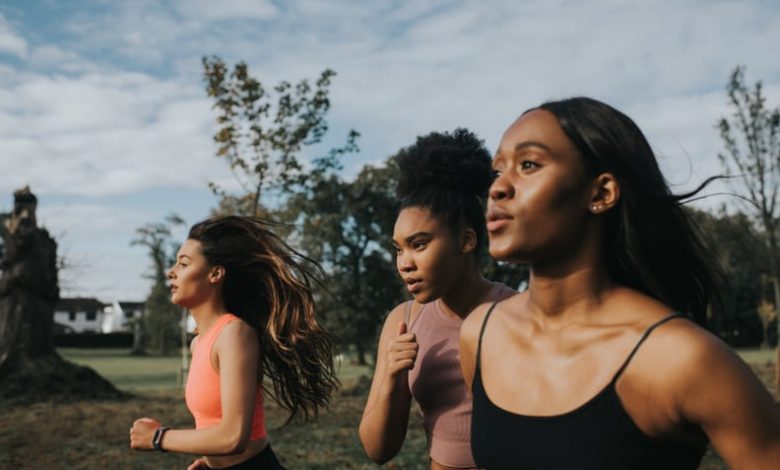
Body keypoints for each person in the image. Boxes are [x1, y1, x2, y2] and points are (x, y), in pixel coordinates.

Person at [460, 97, 780, 469]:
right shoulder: (480, 334)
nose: (498, 188)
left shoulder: (681, 358)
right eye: (497, 171)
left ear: (600, 193)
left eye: (528, 164)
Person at [359, 129, 516, 469]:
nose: (405, 263)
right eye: (398, 249)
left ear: (467, 239)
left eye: (419, 244)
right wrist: (391, 378)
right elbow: (378, 451)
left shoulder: (521, 313)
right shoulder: (404, 319)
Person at [130, 216, 338, 469]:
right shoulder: (199, 343)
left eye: (183, 264)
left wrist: (158, 437)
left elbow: (233, 436)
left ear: (215, 273)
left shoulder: (234, 334)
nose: (171, 271)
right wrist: (211, 462)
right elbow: (214, 424)